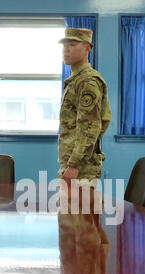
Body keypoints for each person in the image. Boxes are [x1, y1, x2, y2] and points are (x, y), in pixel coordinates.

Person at [58, 28, 111, 190]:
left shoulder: (88, 81)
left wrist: (75, 164)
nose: (66, 49)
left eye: (73, 44)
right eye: (65, 45)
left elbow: (90, 127)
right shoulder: (76, 80)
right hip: (73, 164)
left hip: (81, 169)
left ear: (87, 48)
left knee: (78, 214)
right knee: (68, 213)